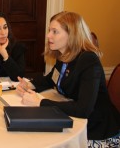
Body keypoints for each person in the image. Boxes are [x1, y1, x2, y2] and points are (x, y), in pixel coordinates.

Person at [16, 11, 120, 147]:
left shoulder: (88, 59)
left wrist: (41, 102)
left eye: (55, 31)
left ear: (72, 35)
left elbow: (83, 109)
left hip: (98, 130)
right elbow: (50, 80)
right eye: (49, 30)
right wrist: (29, 85)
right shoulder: (64, 56)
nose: (48, 35)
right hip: (75, 120)